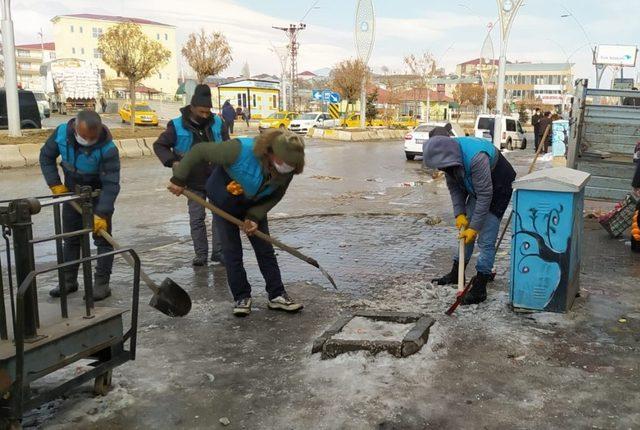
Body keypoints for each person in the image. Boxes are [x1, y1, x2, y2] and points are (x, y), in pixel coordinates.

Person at [167, 129, 305, 316]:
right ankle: (241, 296)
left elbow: (275, 195)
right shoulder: (239, 150)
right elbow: (199, 151)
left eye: (291, 165)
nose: (287, 167)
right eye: (284, 162)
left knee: (265, 250)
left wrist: (254, 217)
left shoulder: (287, 169)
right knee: (232, 251)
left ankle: (277, 295)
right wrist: (178, 178)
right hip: (224, 202)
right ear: (270, 152)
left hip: (254, 204)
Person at [424, 135, 516, 305]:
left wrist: (474, 227)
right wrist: (460, 213)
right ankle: (456, 272)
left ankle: (481, 286)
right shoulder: (449, 161)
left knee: (485, 238)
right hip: (478, 187)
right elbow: (455, 189)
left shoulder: (476, 158)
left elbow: (485, 195)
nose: (441, 169)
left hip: (498, 186)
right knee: (465, 232)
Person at [39, 110, 120, 301]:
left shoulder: (108, 148)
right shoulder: (60, 134)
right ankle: (68, 281)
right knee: (71, 237)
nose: (89, 141)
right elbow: (46, 157)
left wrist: (102, 213)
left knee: (103, 240)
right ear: (76, 128)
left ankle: (101, 284)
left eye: (93, 137)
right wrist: (55, 184)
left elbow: (112, 184)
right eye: (85, 137)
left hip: (98, 194)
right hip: (71, 192)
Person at [153, 84, 229, 266]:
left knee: (219, 217)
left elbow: (228, 147)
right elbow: (159, 145)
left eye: (208, 111)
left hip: (216, 177)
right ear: (192, 107)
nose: (205, 115)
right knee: (197, 219)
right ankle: (200, 254)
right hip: (193, 182)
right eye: (202, 111)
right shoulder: (176, 125)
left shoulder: (218, 123)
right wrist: (173, 161)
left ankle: (218, 252)